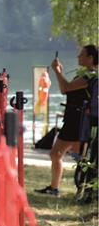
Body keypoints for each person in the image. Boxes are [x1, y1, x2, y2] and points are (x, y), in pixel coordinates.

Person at [35, 45, 98, 197]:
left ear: (90, 58)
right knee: (72, 156)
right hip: (76, 119)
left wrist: (57, 71)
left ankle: (74, 189)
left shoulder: (90, 75)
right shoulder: (86, 74)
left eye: (81, 55)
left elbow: (65, 88)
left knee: (59, 154)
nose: (78, 57)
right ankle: (70, 188)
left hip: (77, 121)